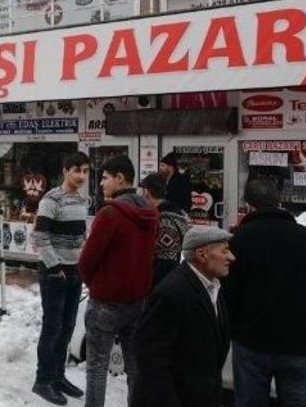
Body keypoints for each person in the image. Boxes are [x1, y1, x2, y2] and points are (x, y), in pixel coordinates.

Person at [223, 178, 306, 407]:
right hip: (297, 345)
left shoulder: (239, 241)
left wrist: (226, 335)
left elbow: (227, 294)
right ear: (278, 202)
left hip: (250, 345)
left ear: (248, 204)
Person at [78, 155, 159, 407]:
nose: (101, 184)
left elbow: (87, 260)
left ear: (120, 178)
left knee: (97, 365)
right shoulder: (150, 213)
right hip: (137, 300)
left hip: (106, 302)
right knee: (135, 365)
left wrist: (96, 283)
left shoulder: (110, 214)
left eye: (105, 178)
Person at [132, 226, 234, 407]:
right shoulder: (171, 294)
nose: (231, 257)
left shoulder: (214, 287)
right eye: (224, 251)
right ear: (202, 254)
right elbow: (151, 359)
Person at [31, 152, 91, 406]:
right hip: (55, 273)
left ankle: (58, 376)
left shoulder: (83, 200)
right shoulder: (50, 199)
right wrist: (56, 267)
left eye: (86, 171)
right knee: (52, 327)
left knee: (67, 328)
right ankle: (42, 380)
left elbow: (80, 237)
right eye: (77, 170)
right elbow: (39, 238)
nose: (82, 176)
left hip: (75, 272)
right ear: (66, 170)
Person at [139, 173, 190, 287]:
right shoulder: (178, 214)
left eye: (142, 192)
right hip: (175, 279)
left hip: (163, 285)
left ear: (147, 192)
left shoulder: (165, 222)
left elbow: (165, 263)